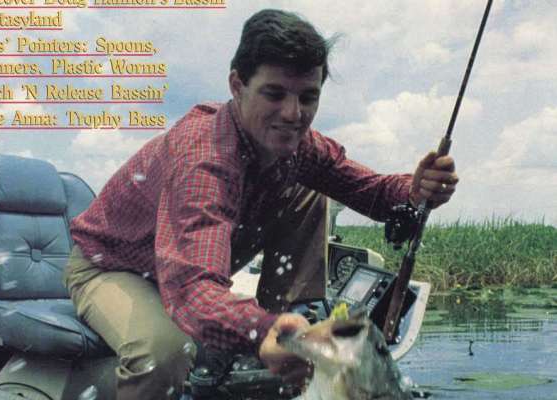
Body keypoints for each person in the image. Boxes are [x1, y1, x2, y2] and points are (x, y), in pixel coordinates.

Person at [63, 8, 458, 400]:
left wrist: (415, 191)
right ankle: (277, 332)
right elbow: (191, 290)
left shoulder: (299, 146)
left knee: (308, 187)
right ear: (237, 85)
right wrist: (262, 329)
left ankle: (293, 320)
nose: (293, 114)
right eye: (274, 94)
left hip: (187, 274)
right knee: (164, 352)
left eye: (308, 97)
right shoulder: (204, 159)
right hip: (112, 269)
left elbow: (370, 191)